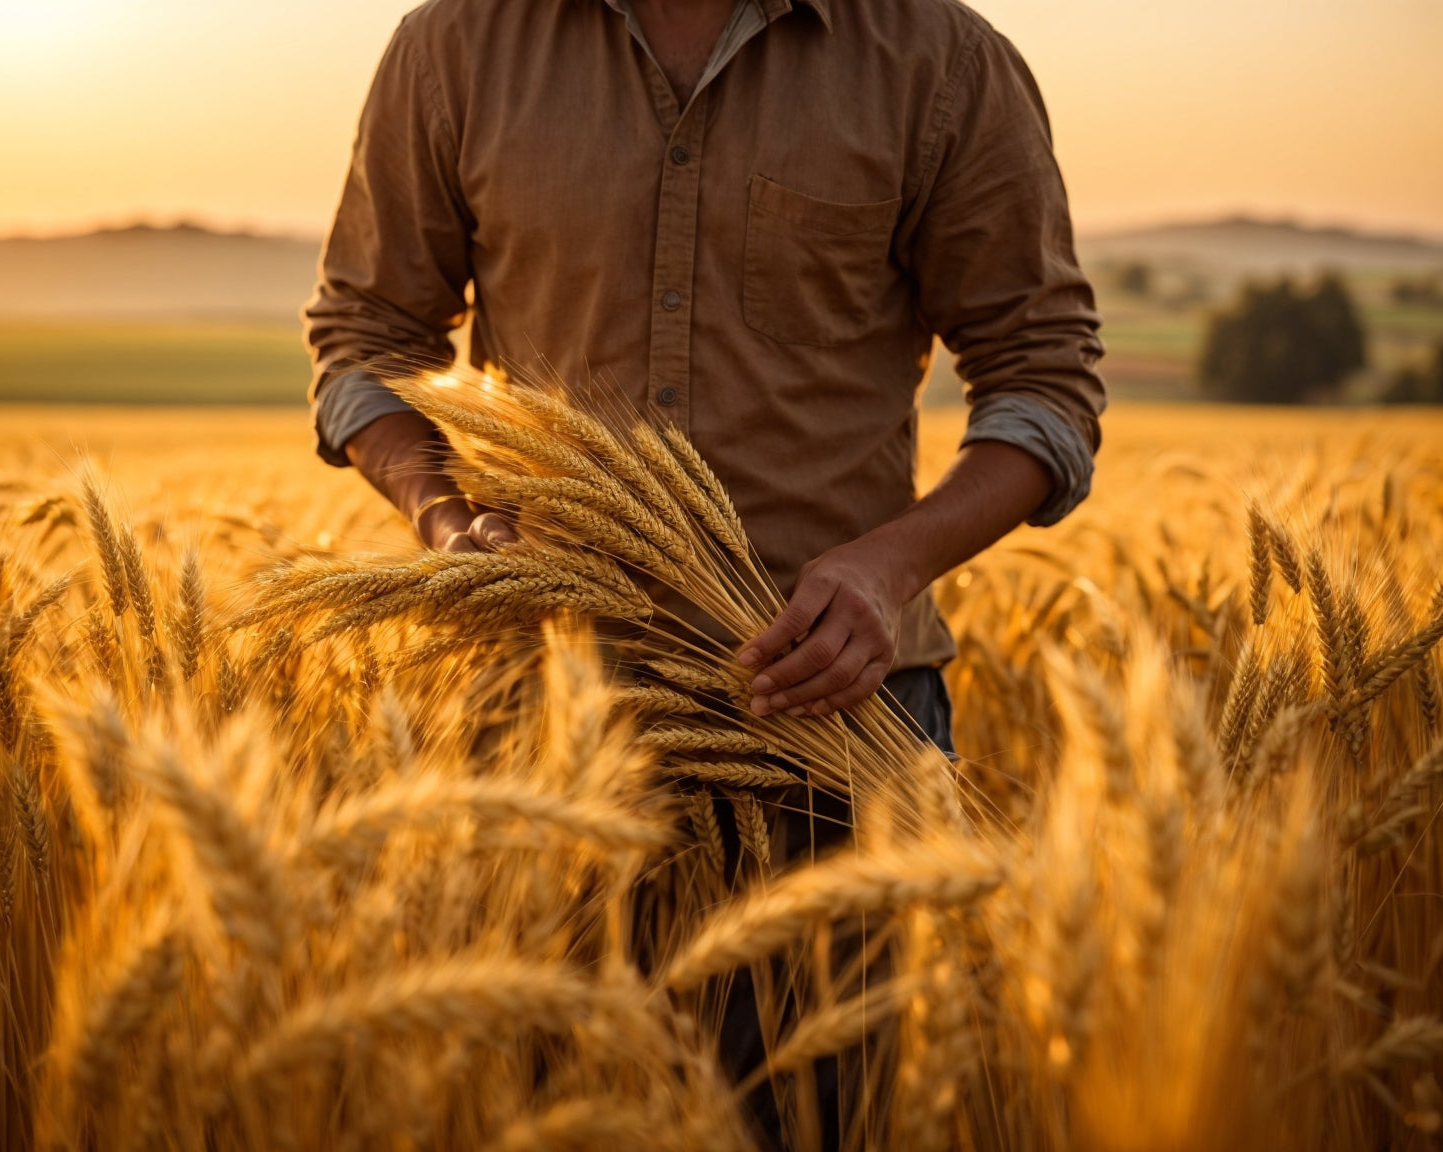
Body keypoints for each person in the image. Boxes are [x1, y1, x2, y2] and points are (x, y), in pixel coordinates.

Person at [303, 0, 1104, 1143]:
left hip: (837, 721)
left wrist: (889, 568)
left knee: (823, 1121)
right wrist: (445, 524)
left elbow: (1045, 380)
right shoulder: (459, 44)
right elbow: (366, 338)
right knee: (536, 1109)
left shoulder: (940, 60)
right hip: (544, 724)